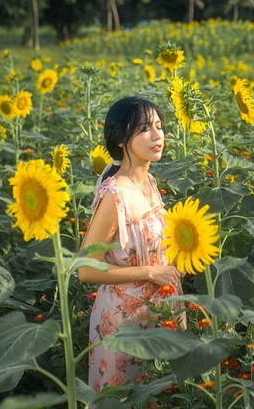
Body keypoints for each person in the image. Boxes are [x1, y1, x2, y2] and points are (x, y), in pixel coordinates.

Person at [78, 97, 183, 392]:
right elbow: (86, 271)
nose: (157, 135)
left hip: (161, 311)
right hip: (124, 324)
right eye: (144, 129)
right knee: (124, 397)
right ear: (122, 139)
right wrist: (149, 273)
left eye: (159, 127)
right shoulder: (116, 196)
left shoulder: (148, 181)